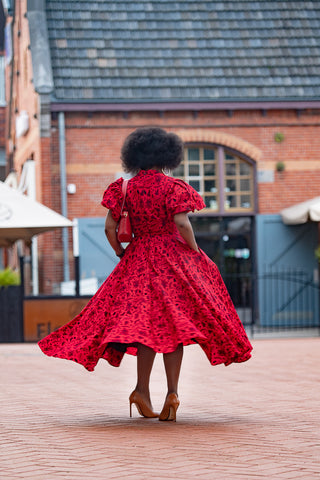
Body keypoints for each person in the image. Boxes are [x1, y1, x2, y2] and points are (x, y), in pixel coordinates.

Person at [38, 127, 252, 422]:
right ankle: (172, 393)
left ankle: (141, 389)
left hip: (137, 261)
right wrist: (195, 250)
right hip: (172, 262)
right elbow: (182, 223)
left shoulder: (124, 190)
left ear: (134, 157)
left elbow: (109, 229)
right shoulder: (173, 187)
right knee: (174, 326)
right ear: (167, 155)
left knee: (143, 327)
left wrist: (120, 253)